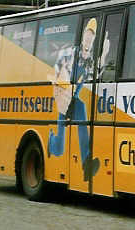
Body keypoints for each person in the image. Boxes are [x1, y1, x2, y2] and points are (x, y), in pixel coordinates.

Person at [47, 17, 109, 181]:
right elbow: (55, 74)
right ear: (83, 37)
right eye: (87, 35)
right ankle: (51, 141)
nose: (89, 38)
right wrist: (60, 92)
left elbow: (97, 75)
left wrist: (104, 55)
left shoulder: (89, 62)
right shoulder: (68, 54)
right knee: (59, 150)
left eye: (92, 36)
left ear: (94, 40)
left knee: (83, 117)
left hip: (74, 100)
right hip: (63, 100)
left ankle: (86, 165)